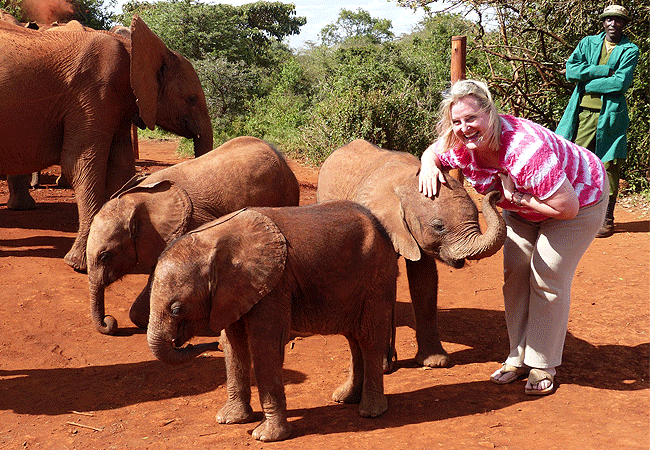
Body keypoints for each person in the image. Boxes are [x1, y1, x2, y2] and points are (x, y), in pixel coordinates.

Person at [419, 80, 608, 395]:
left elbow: (566, 207)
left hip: (579, 199)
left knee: (547, 274)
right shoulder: (460, 146)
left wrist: (517, 199)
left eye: (471, 118)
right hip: (521, 206)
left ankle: (542, 364)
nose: (464, 128)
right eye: (457, 121)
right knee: (515, 274)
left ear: (490, 113)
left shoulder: (525, 150)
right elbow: (434, 152)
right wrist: (427, 165)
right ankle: (516, 357)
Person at [556, 5, 639, 238]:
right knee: (578, 160)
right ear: (603, 22)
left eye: (618, 20)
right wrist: (603, 70)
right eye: (609, 20)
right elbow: (571, 71)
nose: (613, 24)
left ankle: (607, 217)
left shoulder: (630, 49)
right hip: (582, 114)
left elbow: (620, 83)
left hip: (612, 115)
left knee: (609, 163)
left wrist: (587, 82)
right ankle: (575, 211)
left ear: (624, 24)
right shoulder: (587, 43)